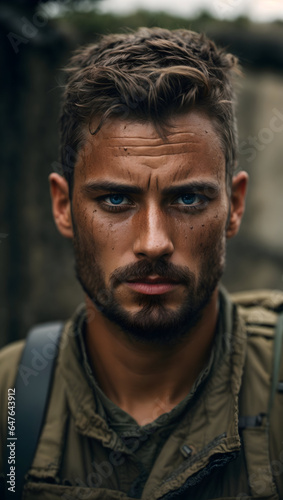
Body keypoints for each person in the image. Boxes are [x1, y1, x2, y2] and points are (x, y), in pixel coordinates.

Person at [1, 27, 283, 500]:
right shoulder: (8, 401)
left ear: (234, 207)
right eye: (115, 199)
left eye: (188, 198)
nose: (154, 243)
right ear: (63, 205)